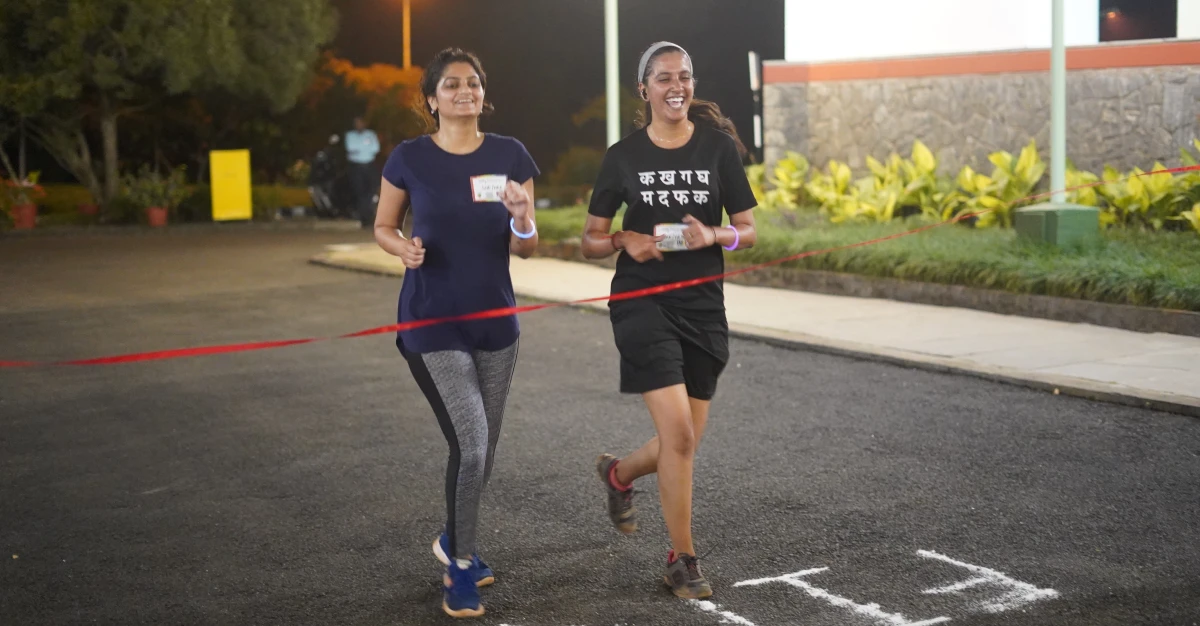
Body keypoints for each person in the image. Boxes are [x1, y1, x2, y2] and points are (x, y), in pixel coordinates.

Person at [580, 41, 758, 600]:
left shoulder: (718, 149)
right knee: (678, 435)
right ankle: (682, 559)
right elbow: (590, 240)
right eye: (663, 78)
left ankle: (619, 474)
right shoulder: (623, 156)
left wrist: (714, 234)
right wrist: (623, 239)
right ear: (645, 89)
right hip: (641, 303)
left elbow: (749, 230)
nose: (675, 86)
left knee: (682, 443)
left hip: (703, 307)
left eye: (684, 76)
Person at [373, 47, 540, 619]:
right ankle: (461, 567)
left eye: (473, 83)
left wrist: (523, 216)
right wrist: (402, 248)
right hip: (431, 320)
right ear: (432, 98)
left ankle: (452, 538)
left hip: (496, 322)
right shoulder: (410, 157)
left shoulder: (510, 155)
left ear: (482, 93)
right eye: (451, 84)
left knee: (482, 449)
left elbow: (527, 246)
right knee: (471, 444)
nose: (464, 91)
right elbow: (383, 226)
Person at [346, 116, 381, 227]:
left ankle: (370, 216)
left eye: (360, 122)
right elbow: (350, 148)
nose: (359, 125)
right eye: (356, 123)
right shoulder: (350, 135)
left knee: (371, 192)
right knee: (360, 192)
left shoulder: (371, 134)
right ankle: (363, 218)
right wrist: (366, 147)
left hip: (369, 166)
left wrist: (359, 148)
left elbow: (375, 148)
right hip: (357, 167)